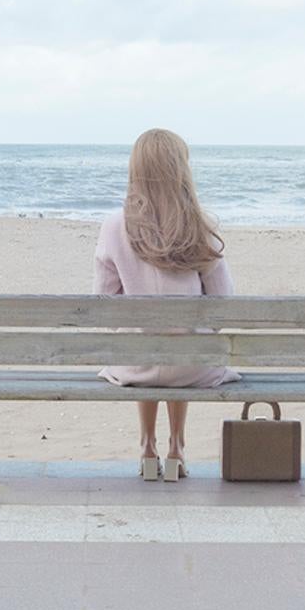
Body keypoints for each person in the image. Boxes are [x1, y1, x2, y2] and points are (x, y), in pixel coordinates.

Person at [92, 129, 235, 480]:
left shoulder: (113, 227)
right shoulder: (199, 227)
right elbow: (224, 307)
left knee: (144, 342)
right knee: (183, 344)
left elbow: (104, 306)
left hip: (135, 367)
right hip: (192, 368)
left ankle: (146, 447)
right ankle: (177, 447)